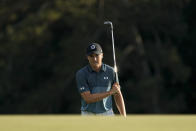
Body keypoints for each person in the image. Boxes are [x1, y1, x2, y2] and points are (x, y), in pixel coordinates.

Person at [76, 43, 126, 116]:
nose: (94, 59)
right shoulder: (81, 74)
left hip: (107, 113)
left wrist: (124, 116)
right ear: (87, 57)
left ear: (102, 55)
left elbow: (117, 94)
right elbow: (88, 98)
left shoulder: (111, 71)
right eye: (91, 56)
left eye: (97, 55)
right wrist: (109, 92)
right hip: (88, 114)